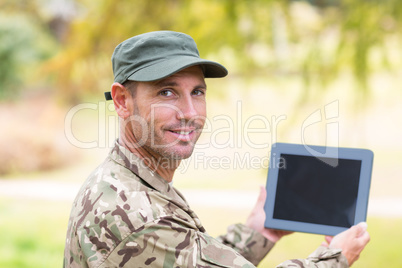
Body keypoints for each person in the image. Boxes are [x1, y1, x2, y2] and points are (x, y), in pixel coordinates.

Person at [63, 31, 370, 267]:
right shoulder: (137, 214)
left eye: (197, 92)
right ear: (122, 101)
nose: (189, 112)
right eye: (166, 92)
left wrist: (260, 233)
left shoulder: (127, 179)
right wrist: (335, 257)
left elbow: (190, 256)